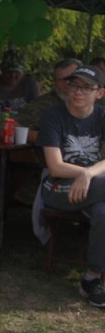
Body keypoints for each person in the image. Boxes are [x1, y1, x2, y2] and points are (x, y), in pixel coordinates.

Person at [39, 65, 105, 308]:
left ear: (99, 93)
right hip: (58, 188)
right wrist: (86, 174)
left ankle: (92, 278)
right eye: (74, 85)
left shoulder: (102, 117)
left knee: (103, 213)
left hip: (95, 186)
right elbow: (55, 167)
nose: (78, 92)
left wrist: (88, 174)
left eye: (86, 88)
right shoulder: (52, 115)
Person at [16, 57, 81, 135]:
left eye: (72, 79)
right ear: (55, 82)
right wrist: (49, 139)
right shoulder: (43, 105)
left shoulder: (96, 103)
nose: (67, 84)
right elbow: (14, 127)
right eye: (62, 80)